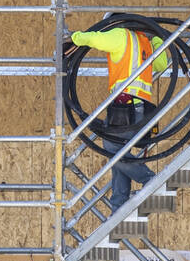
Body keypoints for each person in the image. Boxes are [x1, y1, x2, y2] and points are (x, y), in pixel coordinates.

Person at [70, 27, 169, 208]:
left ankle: (150, 180)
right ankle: (118, 207)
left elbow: (94, 39)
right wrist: (156, 39)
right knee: (119, 156)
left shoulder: (121, 35)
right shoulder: (143, 42)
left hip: (124, 106)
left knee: (112, 149)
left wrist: (73, 37)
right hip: (140, 109)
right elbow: (162, 64)